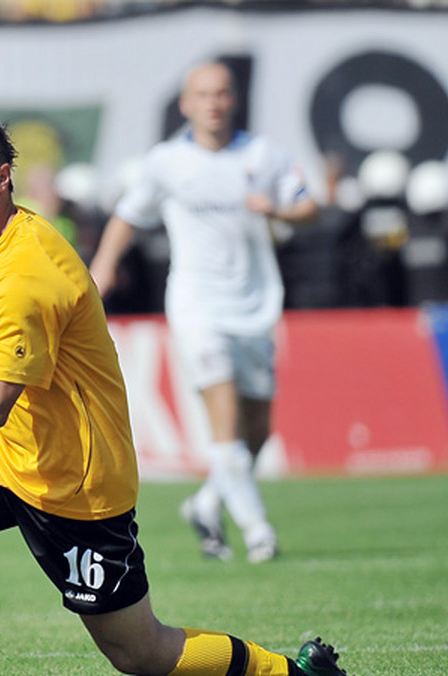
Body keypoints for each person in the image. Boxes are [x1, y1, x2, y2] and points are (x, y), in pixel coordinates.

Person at [0, 110, 347, 676]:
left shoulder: (27, 272)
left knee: (141, 654)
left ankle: (291, 673)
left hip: (75, 484)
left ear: (3, 179)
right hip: (9, 454)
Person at [89, 61, 319, 564]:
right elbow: (128, 214)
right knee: (225, 418)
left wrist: (277, 210)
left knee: (257, 431)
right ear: (186, 104)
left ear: (233, 99)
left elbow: (308, 205)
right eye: (203, 94)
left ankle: (207, 502)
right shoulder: (166, 162)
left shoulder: (264, 156)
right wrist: (102, 266)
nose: (213, 102)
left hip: (256, 305)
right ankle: (258, 530)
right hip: (197, 305)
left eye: (221, 93)